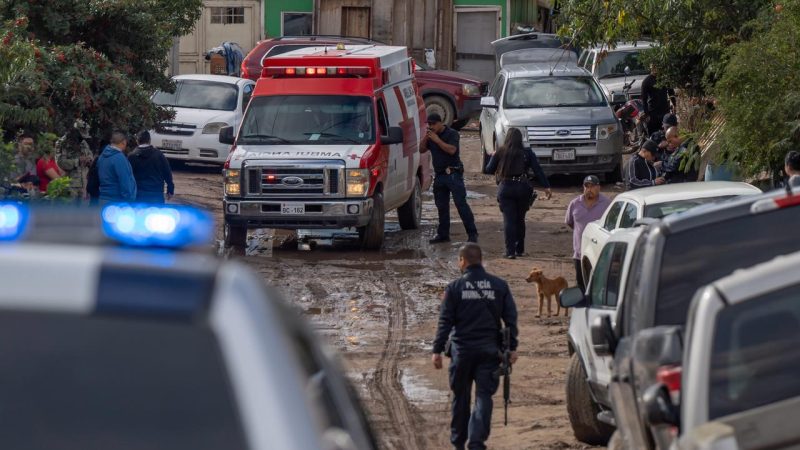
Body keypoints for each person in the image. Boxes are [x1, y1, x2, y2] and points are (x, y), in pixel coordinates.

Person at [431, 243, 518, 450]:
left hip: (461, 352)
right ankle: (477, 442)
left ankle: (458, 442)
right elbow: (511, 320)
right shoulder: (499, 285)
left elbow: (445, 321)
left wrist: (437, 350)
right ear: (481, 260)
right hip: (489, 351)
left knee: (460, 397)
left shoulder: (454, 288)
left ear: (463, 261)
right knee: (483, 397)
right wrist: (512, 347)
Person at [484, 128, 552, 259]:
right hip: (522, 188)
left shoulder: (501, 151)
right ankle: (520, 249)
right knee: (520, 219)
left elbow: (488, 169)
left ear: (507, 138)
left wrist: (493, 156)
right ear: (520, 139)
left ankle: (510, 252)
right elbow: (537, 170)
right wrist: (546, 186)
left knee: (509, 220)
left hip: (506, 188)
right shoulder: (527, 153)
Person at [421, 113, 478, 244]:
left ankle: (472, 234)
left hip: (453, 173)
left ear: (440, 123)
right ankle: (443, 234)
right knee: (441, 206)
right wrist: (426, 138)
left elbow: (452, 150)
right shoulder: (430, 137)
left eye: (433, 124)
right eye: (429, 124)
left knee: (461, 204)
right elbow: (421, 149)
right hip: (440, 175)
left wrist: (437, 140)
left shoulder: (452, 134)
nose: (431, 126)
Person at [565, 175, 611, 291]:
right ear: (583, 187)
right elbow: (570, 223)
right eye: (587, 186)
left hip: (599, 253)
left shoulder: (607, 203)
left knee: (599, 287)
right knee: (581, 286)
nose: (589, 189)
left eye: (592, 186)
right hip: (579, 254)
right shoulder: (574, 203)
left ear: (599, 188)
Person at [128, 131, 175, 203]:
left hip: (138, 194)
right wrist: (170, 189)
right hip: (156, 194)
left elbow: (127, 176)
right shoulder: (159, 155)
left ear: (137, 141)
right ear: (149, 140)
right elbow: (167, 173)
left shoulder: (132, 156)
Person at [55, 119, 95, 199]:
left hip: (84, 184)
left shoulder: (84, 143)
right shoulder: (63, 143)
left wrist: (89, 160)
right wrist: (77, 161)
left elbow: (90, 155)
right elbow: (60, 162)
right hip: (70, 184)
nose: (82, 138)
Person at [97, 131, 136, 203]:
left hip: (103, 198)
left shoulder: (102, 157)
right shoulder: (119, 158)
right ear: (123, 142)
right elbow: (125, 181)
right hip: (117, 200)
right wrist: (129, 200)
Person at [640, 64, 676, 135]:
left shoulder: (665, 79)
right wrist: (647, 114)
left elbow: (671, 92)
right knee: (653, 135)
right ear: (651, 67)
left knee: (666, 135)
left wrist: (674, 105)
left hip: (665, 111)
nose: (656, 69)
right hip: (653, 113)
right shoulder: (646, 81)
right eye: (654, 67)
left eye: (658, 66)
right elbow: (644, 99)